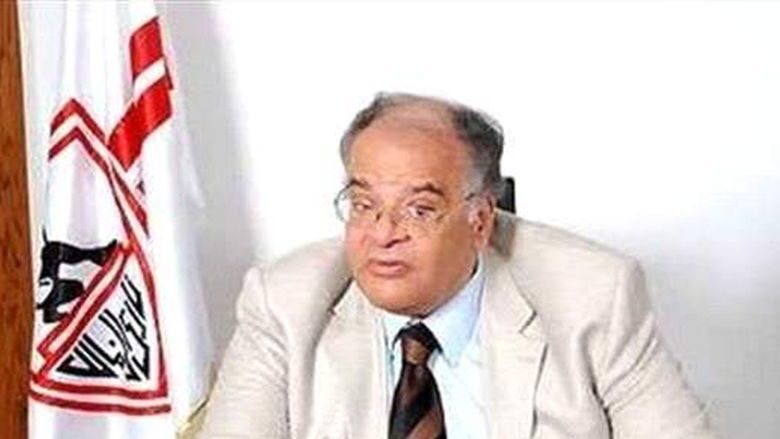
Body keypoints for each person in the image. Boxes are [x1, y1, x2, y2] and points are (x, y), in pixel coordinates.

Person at [198, 92, 718, 438]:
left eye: (419, 210)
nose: (383, 233)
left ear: (480, 221)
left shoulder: (593, 296)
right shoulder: (285, 305)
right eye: (363, 204)